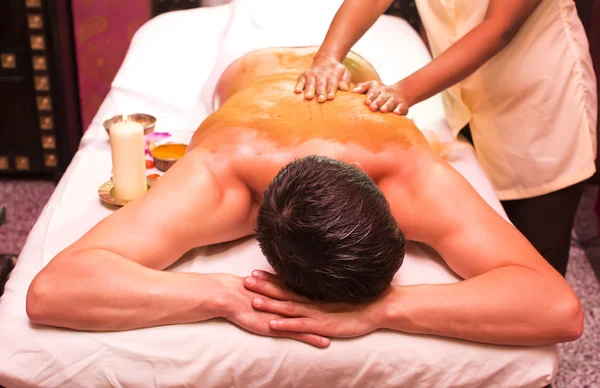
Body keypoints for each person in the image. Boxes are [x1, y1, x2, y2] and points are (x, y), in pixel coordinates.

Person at [26, 46, 583, 349]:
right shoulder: (223, 176)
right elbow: (53, 292)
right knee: (244, 71)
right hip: (252, 75)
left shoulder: (408, 177)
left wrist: (387, 309)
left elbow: (557, 308)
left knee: (358, 62)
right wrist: (224, 295)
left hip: (357, 74)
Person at [294, 0, 598, 277]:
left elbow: (499, 27)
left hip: (539, 107)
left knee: (535, 260)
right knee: (482, 244)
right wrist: (328, 56)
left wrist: (404, 92)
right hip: (467, 102)